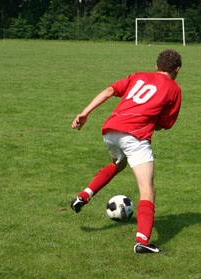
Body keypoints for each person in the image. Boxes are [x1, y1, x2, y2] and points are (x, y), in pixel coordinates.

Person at [70, 49, 183, 254]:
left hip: (110, 130)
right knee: (148, 190)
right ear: (177, 69)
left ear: (156, 66)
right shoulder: (174, 89)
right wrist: (149, 121)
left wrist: (85, 112)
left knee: (119, 164)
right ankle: (142, 241)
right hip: (134, 137)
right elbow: (165, 124)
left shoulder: (137, 76)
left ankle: (84, 195)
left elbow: (109, 91)